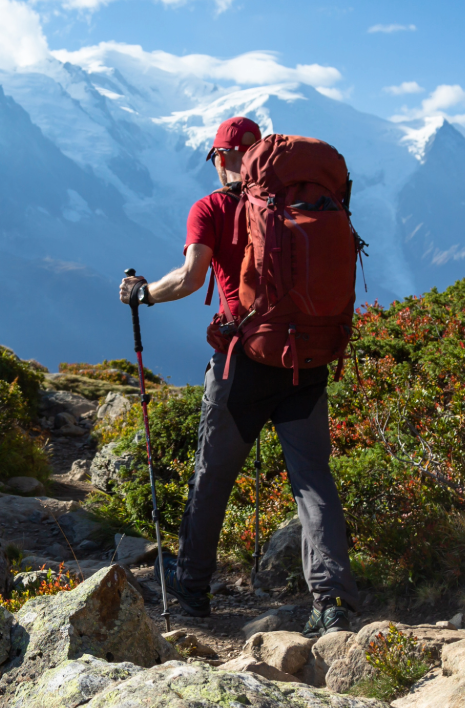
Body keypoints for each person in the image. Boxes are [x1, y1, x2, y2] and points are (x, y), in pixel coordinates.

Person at [118, 115, 363, 635]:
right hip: (308, 360)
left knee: (212, 478)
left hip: (244, 363)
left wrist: (143, 293)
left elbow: (190, 278)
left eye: (215, 157)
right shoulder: (304, 199)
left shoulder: (211, 207)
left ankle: (193, 591)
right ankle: (332, 601)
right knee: (313, 481)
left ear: (224, 157)